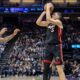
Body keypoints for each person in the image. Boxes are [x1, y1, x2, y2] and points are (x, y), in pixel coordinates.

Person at [36, 2, 66, 80]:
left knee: (59, 68)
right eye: (52, 14)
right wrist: (44, 12)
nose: (52, 15)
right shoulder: (48, 23)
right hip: (48, 46)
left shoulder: (59, 22)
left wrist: (48, 8)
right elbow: (38, 22)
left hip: (56, 46)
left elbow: (48, 18)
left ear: (58, 17)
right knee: (45, 68)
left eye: (54, 14)